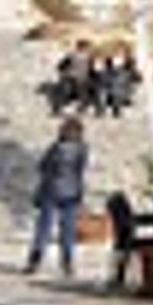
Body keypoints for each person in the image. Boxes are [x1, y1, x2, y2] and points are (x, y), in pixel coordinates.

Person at [26, 115, 89, 278]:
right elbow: (80, 171)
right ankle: (67, 263)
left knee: (44, 228)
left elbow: (43, 166)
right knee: (67, 229)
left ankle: (35, 259)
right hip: (72, 192)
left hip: (52, 191)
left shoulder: (56, 148)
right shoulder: (82, 149)